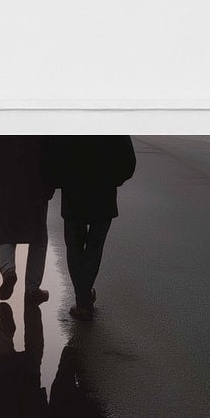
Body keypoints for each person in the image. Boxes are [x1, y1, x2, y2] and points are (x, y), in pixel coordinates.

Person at [42, 135, 136, 320]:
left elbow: (52, 155)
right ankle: (84, 299)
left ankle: (83, 299)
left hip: (73, 191)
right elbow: (128, 161)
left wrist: (59, 181)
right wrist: (113, 179)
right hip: (103, 191)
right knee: (94, 247)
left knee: (75, 247)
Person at [0, 136, 55, 303]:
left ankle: (8, 271)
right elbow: (49, 154)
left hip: (3, 180)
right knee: (38, 238)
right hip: (34, 181)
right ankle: (32, 289)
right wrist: (50, 186)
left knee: (5, 232)